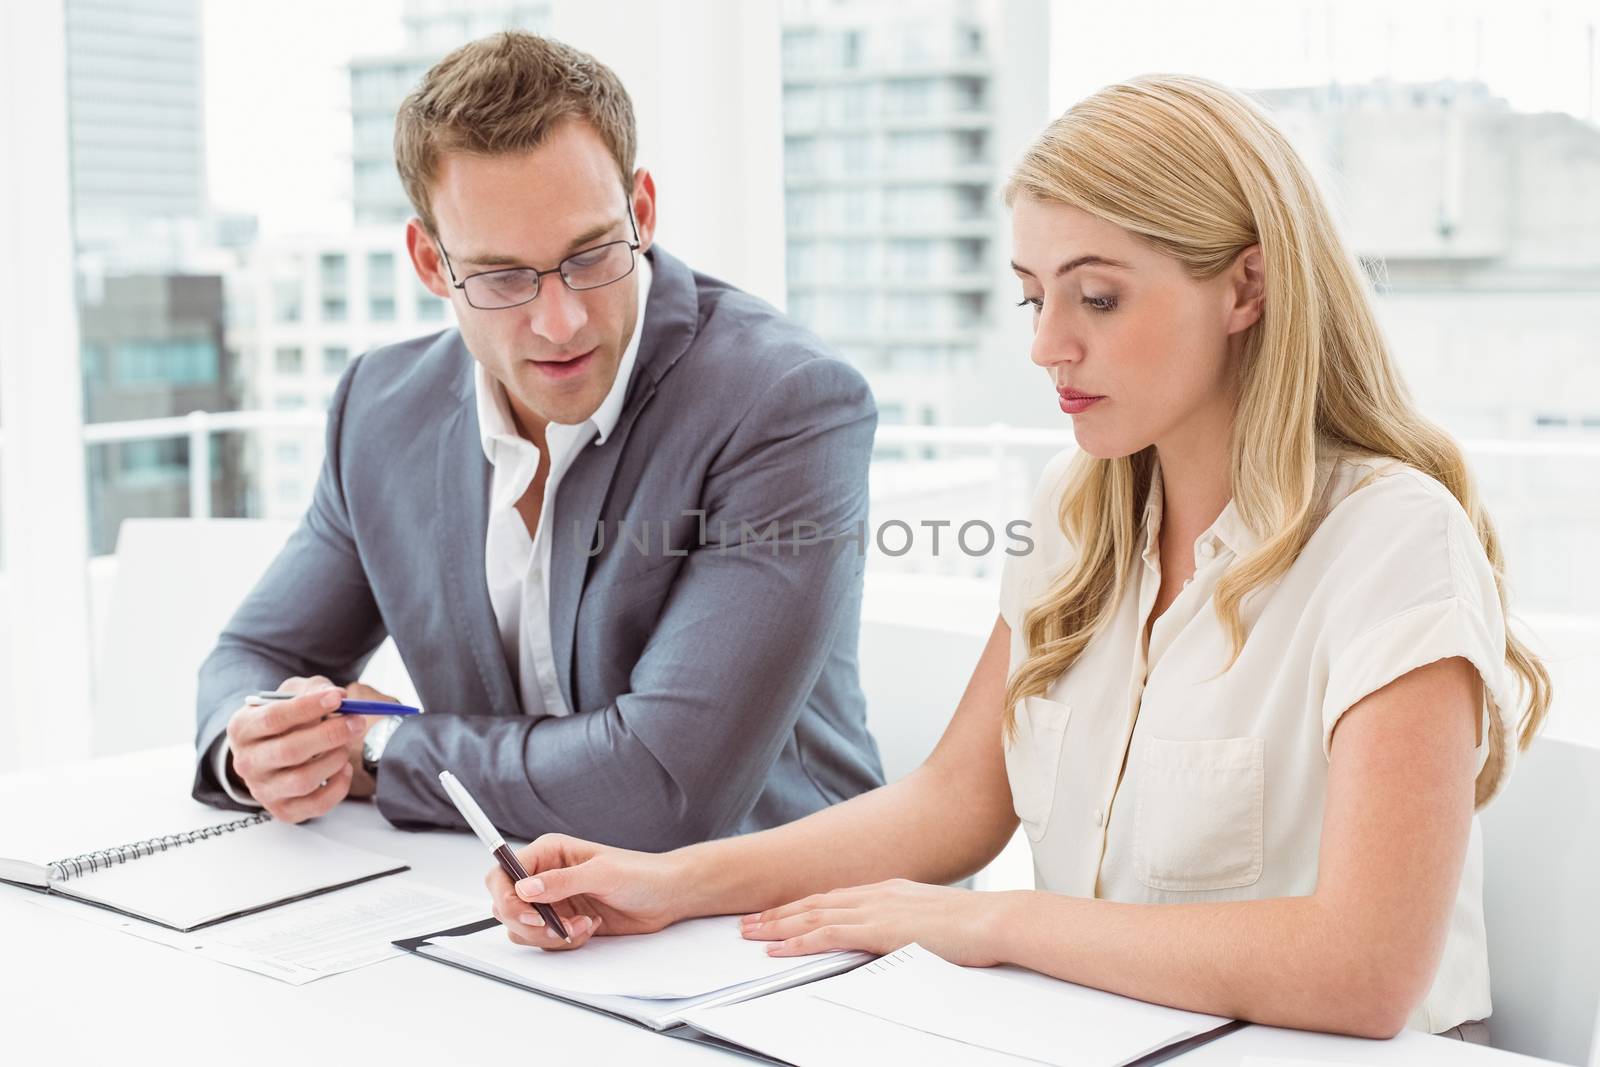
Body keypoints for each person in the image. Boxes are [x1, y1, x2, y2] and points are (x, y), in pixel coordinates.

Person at [482, 74, 1552, 1041]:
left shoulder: (1390, 538)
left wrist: (997, 920)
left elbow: (1363, 968)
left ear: (1244, 288)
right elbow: (953, 802)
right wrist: (666, 882)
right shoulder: (1075, 513)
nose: (1046, 345)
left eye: (1097, 296)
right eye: (1034, 295)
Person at [190, 32, 885, 845]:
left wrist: (381, 748)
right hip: (494, 900)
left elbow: (662, 788)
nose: (560, 322)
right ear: (430, 262)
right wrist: (261, 745)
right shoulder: (380, 410)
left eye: (589, 255)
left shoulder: (784, 404)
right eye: (501, 277)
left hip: (774, 924)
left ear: (643, 212)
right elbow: (254, 652)